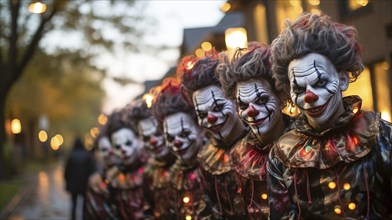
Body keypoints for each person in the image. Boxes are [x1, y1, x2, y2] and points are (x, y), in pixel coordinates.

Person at [268, 13, 392, 219]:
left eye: (320, 82)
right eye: (299, 88)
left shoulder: (381, 137)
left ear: (342, 80)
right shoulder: (281, 154)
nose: (309, 96)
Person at [217, 42, 291, 219]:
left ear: (281, 97)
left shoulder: (305, 144)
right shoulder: (238, 154)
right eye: (243, 104)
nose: (251, 111)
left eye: (262, 100)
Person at [180, 51, 249, 219]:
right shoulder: (205, 160)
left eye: (218, 107)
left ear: (234, 99)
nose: (211, 118)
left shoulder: (262, 144)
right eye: (202, 114)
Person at [153, 78, 213, 220]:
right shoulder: (173, 175)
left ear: (200, 128)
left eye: (184, 133)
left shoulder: (216, 166)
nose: (177, 143)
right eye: (170, 138)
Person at [129, 97, 176, 219]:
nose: (153, 141)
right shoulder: (148, 174)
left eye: (158, 133)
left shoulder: (195, 163)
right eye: (146, 138)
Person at [106, 107, 149, 220]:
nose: (123, 150)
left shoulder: (152, 172)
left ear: (139, 140)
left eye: (128, 143)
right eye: (117, 146)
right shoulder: (113, 178)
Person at [85, 126, 118, 220]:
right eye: (104, 149)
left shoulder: (135, 174)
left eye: (113, 146)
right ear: (97, 154)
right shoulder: (95, 182)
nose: (110, 152)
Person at [64, 137, 95, 220]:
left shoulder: (71, 156)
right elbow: (91, 170)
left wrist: (67, 181)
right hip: (84, 185)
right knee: (84, 206)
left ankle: (73, 218)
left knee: (74, 205)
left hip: (73, 185)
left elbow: (66, 171)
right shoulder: (87, 155)